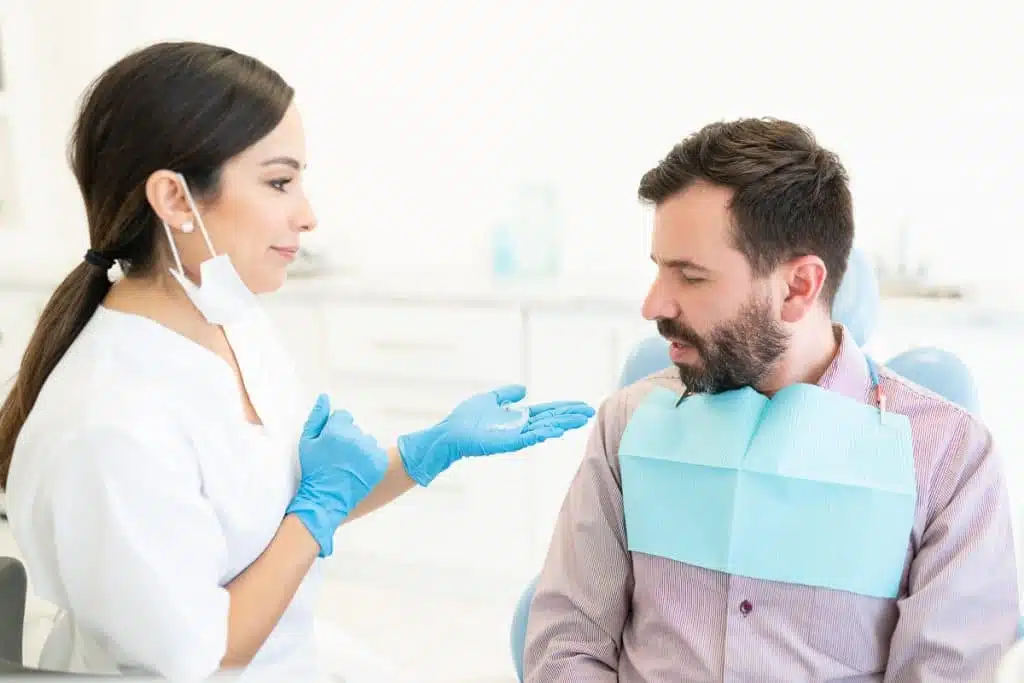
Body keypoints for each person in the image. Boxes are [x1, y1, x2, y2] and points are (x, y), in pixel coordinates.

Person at [0, 41, 595, 682]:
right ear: (175, 200)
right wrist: (317, 507)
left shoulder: (233, 323)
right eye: (279, 182)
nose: (307, 215)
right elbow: (209, 649)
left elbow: (296, 505)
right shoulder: (110, 425)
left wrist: (424, 453)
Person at [522, 118, 1018, 682]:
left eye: (691, 276)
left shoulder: (951, 458)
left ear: (799, 287)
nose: (655, 304)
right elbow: (566, 645)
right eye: (659, 270)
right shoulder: (627, 426)